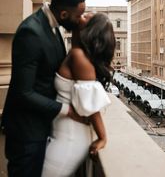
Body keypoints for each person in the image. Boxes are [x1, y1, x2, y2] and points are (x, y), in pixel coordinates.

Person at [1, 0, 88, 177]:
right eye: (78, 16)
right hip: (26, 132)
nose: (80, 20)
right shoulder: (31, 32)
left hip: (41, 126)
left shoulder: (54, 25)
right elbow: (23, 92)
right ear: (64, 14)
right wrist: (67, 111)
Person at [41, 13, 116, 176]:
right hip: (63, 134)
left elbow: (92, 106)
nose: (82, 15)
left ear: (90, 30)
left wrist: (102, 137)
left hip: (69, 140)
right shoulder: (76, 52)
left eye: (87, 17)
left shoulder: (79, 57)